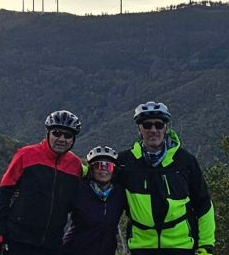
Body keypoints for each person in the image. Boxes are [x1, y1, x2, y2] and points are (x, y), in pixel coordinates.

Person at [117, 101, 215, 255]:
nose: (153, 130)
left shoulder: (184, 160)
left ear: (166, 128)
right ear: (139, 129)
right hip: (141, 248)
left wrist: (206, 246)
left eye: (159, 125)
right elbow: (100, 176)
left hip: (181, 246)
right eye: (147, 125)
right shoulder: (125, 162)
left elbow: (203, 204)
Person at [0, 110, 84, 255]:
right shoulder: (25, 155)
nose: (61, 139)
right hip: (18, 240)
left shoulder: (75, 165)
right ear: (47, 133)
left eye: (67, 135)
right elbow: (5, 193)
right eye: (57, 133)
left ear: (73, 139)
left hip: (52, 243)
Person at [62, 145, 128, 255]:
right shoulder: (79, 189)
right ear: (91, 169)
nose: (103, 169)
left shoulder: (119, 194)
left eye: (108, 166)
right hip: (74, 250)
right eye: (98, 165)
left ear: (114, 170)